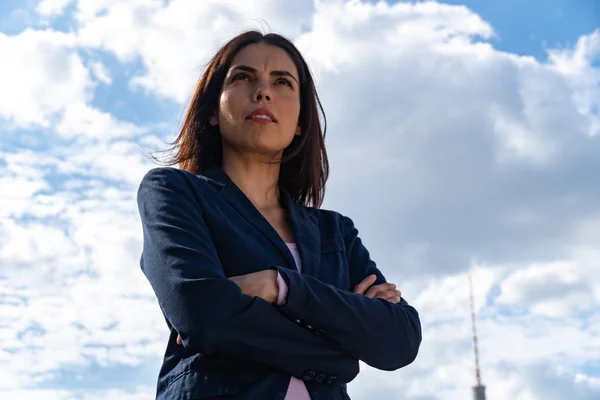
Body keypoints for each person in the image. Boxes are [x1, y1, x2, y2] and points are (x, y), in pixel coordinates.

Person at [136, 30, 422, 400]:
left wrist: (281, 287)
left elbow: (399, 340)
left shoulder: (334, 232)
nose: (263, 91)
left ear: (301, 119)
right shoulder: (175, 193)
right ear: (211, 112)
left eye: (282, 81)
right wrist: (339, 358)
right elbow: (202, 314)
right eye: (242, 77)